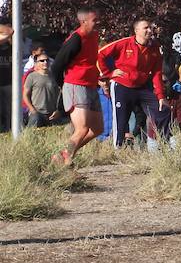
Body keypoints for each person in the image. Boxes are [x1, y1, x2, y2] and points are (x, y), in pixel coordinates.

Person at [98, 19, 170, 148]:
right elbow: (101, 54)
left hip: (142, 86)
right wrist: (108, 73)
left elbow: (157, 72)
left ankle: (166, 145)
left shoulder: (154, 47)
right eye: (146, 28)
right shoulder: (124, 43)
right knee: (121, 119)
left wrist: (160, 96)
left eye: (150, 28)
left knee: (163, 109)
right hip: (122, 85)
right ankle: (118, 148)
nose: (149, 30)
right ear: (136, 31)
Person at [48, 9, 104, 166]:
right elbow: (56, 66)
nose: (98, 22)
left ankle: (62, 154)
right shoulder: (75, 39)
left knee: (97, 129)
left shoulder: (94, 35)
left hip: (91, 85)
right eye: (95, 20)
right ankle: (66, 160)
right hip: (76, 85)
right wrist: (63, 84)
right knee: (82, 128)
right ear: (84, 22)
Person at [22, 49, 61, 128]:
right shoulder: (31, 76)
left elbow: (59, 95)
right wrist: (32, 110)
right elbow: (25, 95)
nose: (45, 62)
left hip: (52, 114)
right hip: (37, 112)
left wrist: (58, 110)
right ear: (36, 63)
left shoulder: (54, 76)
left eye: (47, 60)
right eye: (42, 61)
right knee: (32, 133)